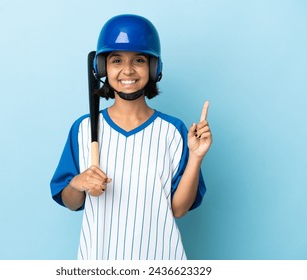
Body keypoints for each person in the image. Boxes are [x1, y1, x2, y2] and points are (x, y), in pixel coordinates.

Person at [50, 14, 212, 260]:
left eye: (138, 60)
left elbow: (179, 209)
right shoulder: (83, 128)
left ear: (153, 68)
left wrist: (196, 158)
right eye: (116, 60)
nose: (127, 70)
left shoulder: (173, 131)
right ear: (103, 67)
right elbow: (71, 203)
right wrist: (77, 184)